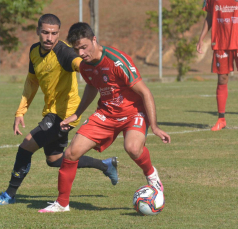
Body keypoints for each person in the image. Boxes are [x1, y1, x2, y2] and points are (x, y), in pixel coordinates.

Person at [39, 22, 171, 213]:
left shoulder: (117, 61)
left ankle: (152, 177)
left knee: (133, 148)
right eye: (77, 49)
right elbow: (92, 86)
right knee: (71, 153)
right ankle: (61, 204)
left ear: (94, 39)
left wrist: (156, 127)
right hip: (106, 114)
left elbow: (145, 92)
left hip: (133, 112)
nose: (82, 53)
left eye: (84, 47)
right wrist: (77, 113)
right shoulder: (85, 66)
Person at [0, 15, 119, 205]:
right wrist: (20, 111)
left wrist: (98, 67)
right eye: (45, 32)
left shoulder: (64, 52)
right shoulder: (34, 51)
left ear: (59, 33)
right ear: (38, 31)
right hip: (51, 111)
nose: (50, 37)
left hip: (65, 114)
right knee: (55, 159)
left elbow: (79, 63)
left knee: (26, 146)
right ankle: (105, 165)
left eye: (54, 33)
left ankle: (9, 194)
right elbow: (32, 82)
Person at [196, 0, 238, 131]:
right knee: (222, 79)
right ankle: (221, 119)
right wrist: (201, 38)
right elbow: (209, 17)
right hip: (221, 41)